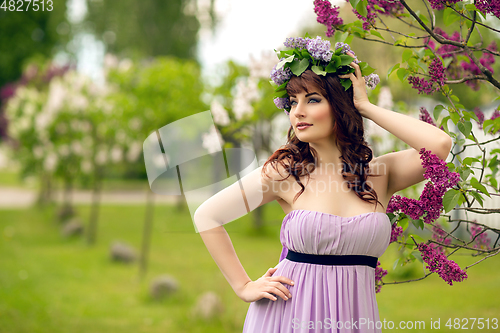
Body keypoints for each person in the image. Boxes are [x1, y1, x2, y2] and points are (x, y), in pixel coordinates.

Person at [194, 36, 452, 332]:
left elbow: (439, 145)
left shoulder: (381, 174)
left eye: (312, 99)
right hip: (288, 319)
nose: (297, 112)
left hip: (355, 320)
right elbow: (207, 216)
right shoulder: (285, 173)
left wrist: (365, 106)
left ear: (341, 106)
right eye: (292, 103)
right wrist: (243, 286)